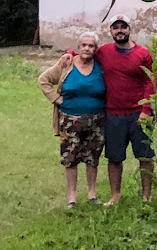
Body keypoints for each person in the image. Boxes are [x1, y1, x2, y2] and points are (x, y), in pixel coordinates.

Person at [60, 13, 155, 205]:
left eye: (123, 27)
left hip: (138, 114)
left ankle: (146, 196)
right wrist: (70, 53)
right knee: (114, 157)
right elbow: (86, 52)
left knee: (145, 155)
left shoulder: (143, 53)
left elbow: (151, 81)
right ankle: (115, 195)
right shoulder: (104, 51)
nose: (120, 30)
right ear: (111, 31)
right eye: (115, 27)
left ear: (129, 29)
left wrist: (146, 109)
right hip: (112, 114)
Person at [39, 31, 106, 208]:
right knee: (70, 158)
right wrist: (56, 98)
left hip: (96, 120)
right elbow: (44, 80)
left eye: (91, 46)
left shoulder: (101, 66)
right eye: (83, 45)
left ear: (95, 49)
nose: (87, 48)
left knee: (92, 158)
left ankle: (92, 194)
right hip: (69, 121)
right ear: (78, 48)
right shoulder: (66, 64)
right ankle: (72, 198)